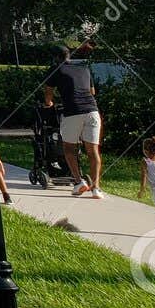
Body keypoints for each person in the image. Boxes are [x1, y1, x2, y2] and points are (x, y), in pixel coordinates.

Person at [43, 45, 103, 199]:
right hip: (92, 111)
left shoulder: (56, 69)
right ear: (69, 55)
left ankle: (78, 182)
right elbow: (92, 92)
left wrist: (49, 104)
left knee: (69, 148)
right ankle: (96, 188)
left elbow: (48, 93)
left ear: (56, 58)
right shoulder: (84, 68)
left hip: (72, 111)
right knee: (93, 151)